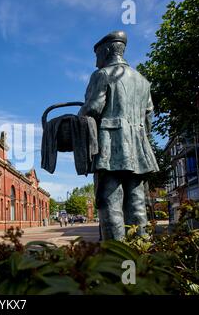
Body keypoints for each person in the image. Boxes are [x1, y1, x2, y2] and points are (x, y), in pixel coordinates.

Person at [78, 31, 159, 240]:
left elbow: (93, 108)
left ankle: (115, 257)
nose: (96, 63)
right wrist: (139, 138)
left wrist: (78, 117)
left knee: (110, 200)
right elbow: (149, 117)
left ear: (106, 51)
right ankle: (141, 250)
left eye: (97, 56)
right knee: (137, 202)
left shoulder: (103, 75)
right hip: (139, 149)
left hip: (110, 145)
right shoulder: (143, 81)